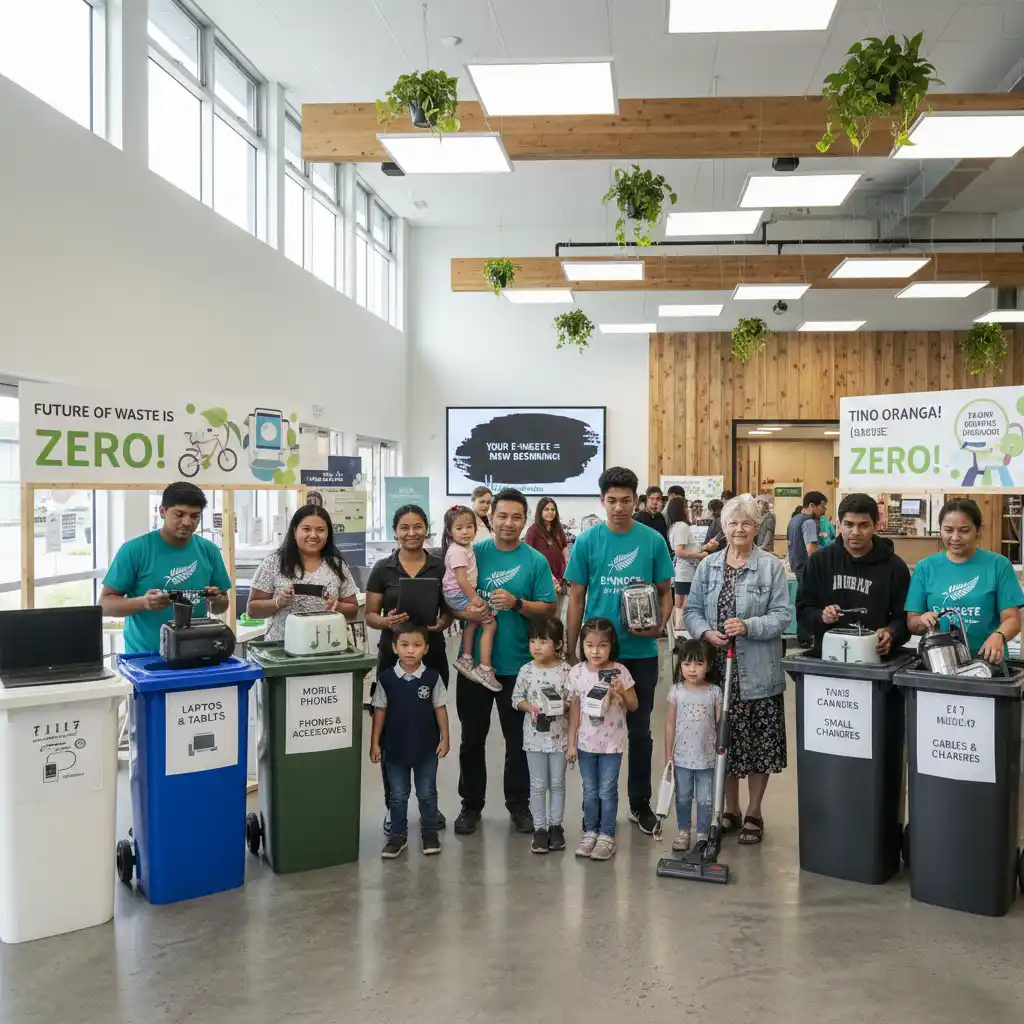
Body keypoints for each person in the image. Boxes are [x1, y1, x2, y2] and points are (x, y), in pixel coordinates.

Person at [564, 466, 674, 837]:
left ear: (636, 500)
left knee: (639, 729)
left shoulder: (653, 541)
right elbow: (576, 596)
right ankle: (593, 809)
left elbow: (665, 592)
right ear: (602, 501)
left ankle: (639, 804)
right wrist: (571, 646)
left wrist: (658, 627)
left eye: (626, 500)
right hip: (596, 654)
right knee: (592, 729)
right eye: (612, 501)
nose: (619, 507)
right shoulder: (587, 542)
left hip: (640, 652)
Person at [685, 494, 791, 846]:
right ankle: (729, 809)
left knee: (759, 746)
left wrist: (748, 626)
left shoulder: (770, 567)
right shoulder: (708, 565)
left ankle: (754, 812)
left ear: (757, 528)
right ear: (724, 527)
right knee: (723, 744)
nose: (739, 529)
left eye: (747, 523)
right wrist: (705, 632)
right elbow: (693, 610)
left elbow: (782, 617)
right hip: (717, 671)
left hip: (759, 673)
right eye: (733, 523)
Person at [452, 488, 557, 836]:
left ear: (524, 519)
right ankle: (470, 805)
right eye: (502, 515)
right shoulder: (472, 554)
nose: (508, 523)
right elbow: (451, 597)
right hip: (474, 670)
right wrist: (465, 609)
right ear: (490, 517)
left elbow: (549, 608)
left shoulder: (535, 561)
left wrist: (516, 603)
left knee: (519, 742)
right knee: (471, 740)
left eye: (516, 517)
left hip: (519, 669)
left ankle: (519, 805)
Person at [365, 504, 452, 833]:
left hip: (432, 653)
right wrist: (387, 621)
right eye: (404, 527)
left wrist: (439, 623)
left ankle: (430, 803)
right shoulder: (382, 568)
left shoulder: (440, 566)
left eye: (417, 526)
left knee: (429, 722)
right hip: (393, 654)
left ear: (426, 529)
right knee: (392, 728)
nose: (411, 532)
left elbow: (449, 611)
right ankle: (394, 805)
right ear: (395, 531)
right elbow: (370, 614)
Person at [100, 481, 231, 654]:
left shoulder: (209, 550)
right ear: (162, 512)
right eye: (179, 514)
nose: (187, 522)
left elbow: (221, 606)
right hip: (145, 658)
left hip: (195, 652)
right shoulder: (134, 550)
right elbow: (104, 605)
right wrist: (143, 603)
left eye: (194, 516)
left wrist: (216, 600)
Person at [906, 497, 1024, 662]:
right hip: (939, 660)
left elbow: (1012, 619)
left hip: (987, 661)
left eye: (964, 530)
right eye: (948, 530)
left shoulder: (998, 565)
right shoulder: (925, 567)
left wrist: (999, 635)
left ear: (977, 531)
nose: (955, 537)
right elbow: (912, 622)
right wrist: (922, 620)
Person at [370, 623, 450, 859]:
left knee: (427, 793)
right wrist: (375, 742)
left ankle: (429, 833)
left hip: (426, 747)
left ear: (425, 649)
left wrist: (445, 738)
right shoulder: (386, 680)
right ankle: (397, 836)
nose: (410, 651)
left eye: (416, 646)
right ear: (394, 648)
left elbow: (440, 709)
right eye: (404, 645)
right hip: (394, 749)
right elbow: (379, 712)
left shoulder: (432, 678)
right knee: (398, 794)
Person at [797, 493, 911, 658]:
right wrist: (821, 616)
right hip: (828, 657)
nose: (855, 532)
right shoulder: (819, 562)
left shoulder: (895, 567)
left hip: (877, 660)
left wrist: (891, 634)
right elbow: (803, 610)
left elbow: (904, 618)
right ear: (838, 524)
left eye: (864, 525)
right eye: (849, 524)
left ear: (876, 526)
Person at [566, 618, 638, 861]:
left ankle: (607, 834)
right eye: (589, 645)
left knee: (607, 790)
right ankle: (590, 832)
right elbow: (574, 709)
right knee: (589, 790)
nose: (595, 651)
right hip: (586, 743)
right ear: (582, 645)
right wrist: (572, 742)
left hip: (612, 744)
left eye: (602, 646)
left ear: (611, 646)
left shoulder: (620, 672)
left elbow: (634, 705)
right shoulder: (576, 673)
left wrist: (621, 693)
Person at [247, 505, 358, 640]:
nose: (313, 535)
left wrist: (338, 606)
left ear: (328, 534)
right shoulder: (274, 562)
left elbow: (353, 610)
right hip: (282, 649)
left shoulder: (337, 564)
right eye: (306, 529)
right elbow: (252, 611)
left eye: (320, 530)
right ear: (295, 531)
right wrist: (278, 602)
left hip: (326, 647)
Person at [512, 617, 570, 854]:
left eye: (543, 641)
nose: (536, 646)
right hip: (533, 738)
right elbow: (516, 698)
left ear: (556, 644)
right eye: (533, 641)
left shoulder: (566, 670)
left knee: (557, 783)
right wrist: (530, 707)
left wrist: (562, 707)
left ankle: (556, 826)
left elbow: (572, 700)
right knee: (537, 785)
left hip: (559, 738)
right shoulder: (526, 670)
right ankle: (539, 829)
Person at [664, 638, 722, 852]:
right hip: (681, 758)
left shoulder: (714, 692)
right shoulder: (676, 692)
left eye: (698, 664)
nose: (692, 669)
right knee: (683, 796)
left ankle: (703, 833)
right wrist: (668, 754)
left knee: (706, 799)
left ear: (708, 665)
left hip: (707, 758)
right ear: (680, 665)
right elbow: (670, 725)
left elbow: (719, 725)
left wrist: (722, 752)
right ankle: (683, 830)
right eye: (687, 664)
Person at [443, 505, 498, 690]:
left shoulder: (464, 547)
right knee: (489, 623)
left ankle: (466, 658)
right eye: (459, 528)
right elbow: (461, 580)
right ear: (450, 532)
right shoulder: (458, 551)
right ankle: (484, 667)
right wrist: (474, 599)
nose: (465, 532)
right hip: (459, 594)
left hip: (457, 594)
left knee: (473, 622)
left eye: (469, 527)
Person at [788, 491, 828, 644]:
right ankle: (807, 636)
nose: (824, 511)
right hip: (808, 569)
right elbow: (811, 550)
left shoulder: (793, 520)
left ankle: (803, 636)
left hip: (797, 568)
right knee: (811, 604)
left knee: (801, 602)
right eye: (822, 506)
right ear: (812, 505)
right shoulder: (809, 522)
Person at [525, 496, 569, 618]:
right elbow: (529, 556)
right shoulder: (533, 530)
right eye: (546, 509)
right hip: (543, 578)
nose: (550, 512)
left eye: (553, 509)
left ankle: (556, 636)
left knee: (558, 614)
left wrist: (567, 572)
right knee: (545, 615)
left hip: (561, 577)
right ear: (540, 511)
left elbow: (564, 548)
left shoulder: (558, 527)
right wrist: (552, 580)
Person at [666, 496, 704, 631]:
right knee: (682, 604)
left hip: (684, 571)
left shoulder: (676, 526)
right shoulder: (682, 526)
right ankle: (681, 629)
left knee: (681, 603)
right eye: (685, 507)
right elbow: (680, 551)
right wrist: (700, 555)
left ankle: (681, 628)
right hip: (685, 572)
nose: (688, 510)